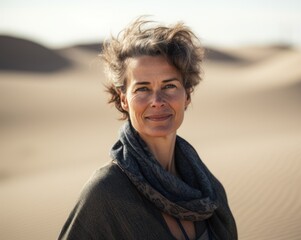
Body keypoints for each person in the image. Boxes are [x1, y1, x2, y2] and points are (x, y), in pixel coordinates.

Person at [58, 17, 237, 240]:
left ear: (187, 95)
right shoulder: (106, 192)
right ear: (123, 99)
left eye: (169, 85)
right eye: (142, 89)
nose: (157, 100)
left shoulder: (209, 190)